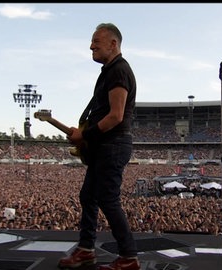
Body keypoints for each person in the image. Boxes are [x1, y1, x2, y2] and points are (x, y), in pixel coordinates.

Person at [58, 23, 140, 270]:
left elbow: (115, 115)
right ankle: (86, 250)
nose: (91, 45)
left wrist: (86, 135)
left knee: (107, 198)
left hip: (112, 144)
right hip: (104, 144)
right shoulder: (109, 71)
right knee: (89, 196)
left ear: (113, 43)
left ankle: (128, 256)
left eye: (96, 41)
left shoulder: (118, 71)